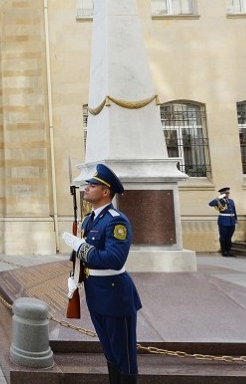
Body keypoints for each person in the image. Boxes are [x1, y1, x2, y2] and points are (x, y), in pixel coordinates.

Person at [61, 164, 142, 383]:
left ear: (106, 191)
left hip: (116, 296)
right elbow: (81, 257)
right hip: (95, 294)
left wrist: (81, 247)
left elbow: (114, 260)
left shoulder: (116, 220)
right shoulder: (89, 220)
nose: (86, 188)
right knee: (110, 352)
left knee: (123, 355)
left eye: (92, 185)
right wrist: (75, 276)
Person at [209, 187, 238, 257]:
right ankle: (224, 251)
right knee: (223, 237)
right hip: (223, 221)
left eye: (228, 193)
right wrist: (219, 197)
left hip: (231, 221)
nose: (227, 194)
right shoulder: (219, 201)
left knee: (229, 237)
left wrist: (235, 220)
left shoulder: (231, 201)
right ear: (222, 194)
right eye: (226, 193)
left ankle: (229, 251)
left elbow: (234, 211)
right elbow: (211, 204)